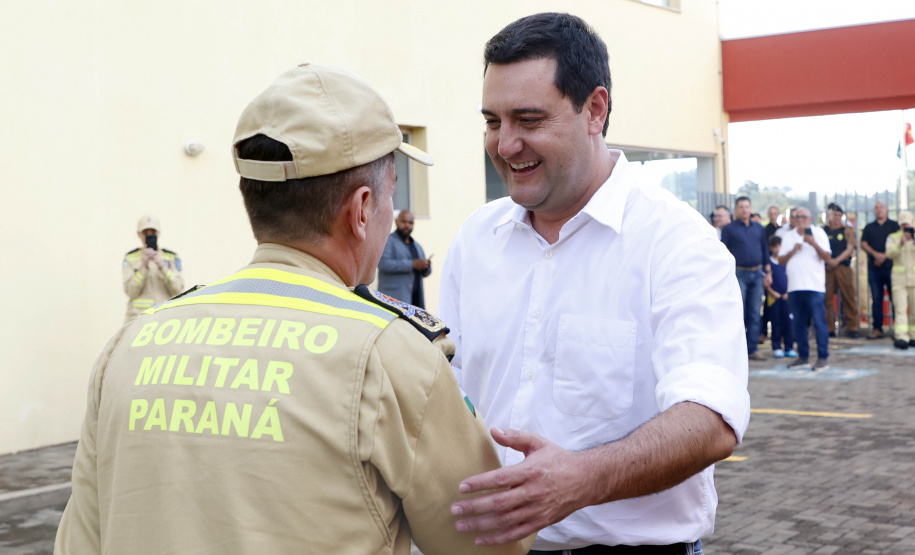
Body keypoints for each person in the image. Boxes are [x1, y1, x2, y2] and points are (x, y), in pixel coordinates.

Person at [55, 64, 531, 555]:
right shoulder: (392, 355)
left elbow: (78, 542)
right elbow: (491, 544)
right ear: (362, 209)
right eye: (391, 197)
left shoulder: (127, 348)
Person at [439, 13, 750, 553]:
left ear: (595, 110)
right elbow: (454, 391)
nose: (505, 145)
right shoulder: (475, 239)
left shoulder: (676, 243)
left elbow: (711, 418)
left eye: (529, 120)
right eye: (493, 121)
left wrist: (581, 480)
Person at [778, 207, 832, 371]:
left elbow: (828, 258)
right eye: (797, 216)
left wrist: (813, 242)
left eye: (803, 216)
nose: (800, 219)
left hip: (814, 286)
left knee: (819, 323)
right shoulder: (788, 236)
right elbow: (781, 260)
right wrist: (793, 250)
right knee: (799, 324)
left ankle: (822, 357)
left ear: (810, 219)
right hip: (795, 287)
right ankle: (803, 357)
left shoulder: (819, 233)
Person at [721, 196, 771, 360]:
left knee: (755, 313)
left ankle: (752, 348)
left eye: (747, 207)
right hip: (739, 274)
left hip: (757, 274)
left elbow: (765, 250)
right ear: (736, 210)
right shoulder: (729, 229)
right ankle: (737, 350)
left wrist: (768, 272)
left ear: (751, 209)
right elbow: (724, 253)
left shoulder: (759, 228)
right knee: (738, 313)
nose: (744, 210)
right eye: (741, 207)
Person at [122, 215, 184, 322]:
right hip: (138, 319)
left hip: (166, 318)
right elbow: (130, 292)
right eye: (145, 233)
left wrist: (162, 266)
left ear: (158, 233)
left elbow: (178, 289)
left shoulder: (170, 257)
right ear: (139, 234)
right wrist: (143, 267)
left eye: (153, 232)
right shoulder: (130, 258)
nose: (149, 235)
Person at [860, 201, 900, 339]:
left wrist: (885, 255)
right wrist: (875, 255)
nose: (879, 210)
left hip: (892, 268)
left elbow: (899, 243)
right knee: (876, 299)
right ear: (874, 211)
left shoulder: (894, 226)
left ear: (886, 209)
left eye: (881, 207)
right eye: (876, 208)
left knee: (896, 299)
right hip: (874, 268)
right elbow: (863, 243)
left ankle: (898, 330)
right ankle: (877, 328)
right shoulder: (869, 227)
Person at [377, 209, 432, 307]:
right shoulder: (388, 241)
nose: (407, 225)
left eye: (411, 223)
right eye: (404, 221)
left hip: (415, 300)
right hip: (393, 301)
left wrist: (426, 266)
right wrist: (412, 264)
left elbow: (425, 273)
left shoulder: (417, 246)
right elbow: (383, 263)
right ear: (396, 221)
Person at [823, 204, 860, 338]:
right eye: (834, 215)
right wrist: (829, 261)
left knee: (848, 297)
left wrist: (836, 260)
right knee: (826, 298)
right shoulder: (823, 231)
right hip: (827, 268)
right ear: (829, 216)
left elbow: (850, 248)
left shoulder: (847, 230)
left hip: (843, 266)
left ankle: (853, 327)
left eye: (839, 215)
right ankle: (829, 328)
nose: (837, 218)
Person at [885, 210, 915, 349]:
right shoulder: (893, 237)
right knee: (900, 308)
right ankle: (902, 337)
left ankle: (913, 336)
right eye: (903, 225)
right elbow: (889, 254)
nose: (905, 227)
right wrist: (900, 244)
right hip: (899, 280)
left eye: (907, 224)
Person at [765, 235, 796, 358]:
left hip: (787, 298)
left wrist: (788, 293)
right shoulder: (768, 263)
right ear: (771, 248)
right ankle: (777, 347)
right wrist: (772, 292)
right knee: (775, 323)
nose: (777, 249)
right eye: (775, 247)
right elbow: (765, 282)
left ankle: (789, 347)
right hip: (774, 298)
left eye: (779, 247)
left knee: (788, 323)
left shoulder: (787, 262)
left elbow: (792, 277)